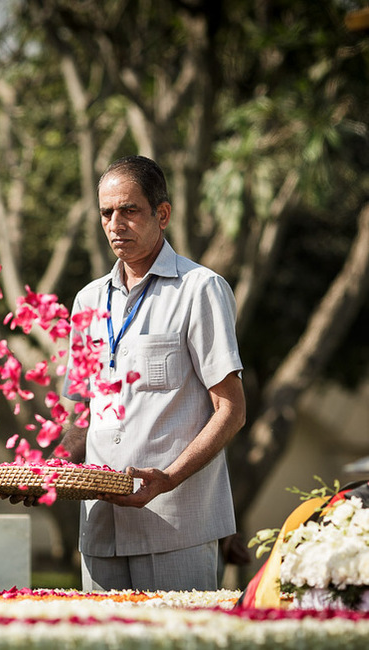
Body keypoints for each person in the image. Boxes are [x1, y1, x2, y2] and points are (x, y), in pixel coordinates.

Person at [58, 155, 246, 592]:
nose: (115, 223)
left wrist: (168, 479)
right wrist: (47, 472)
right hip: (100, 529)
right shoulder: (87, 302)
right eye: (107, 212)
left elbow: (231, 410)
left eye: (130, 210)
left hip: (176, 525)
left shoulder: (200, 289)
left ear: (162, 214)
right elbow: (80, 416)